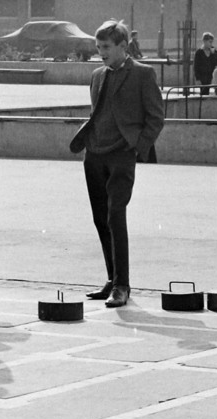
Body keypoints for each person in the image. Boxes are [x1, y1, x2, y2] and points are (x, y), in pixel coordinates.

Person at [68, 19, 165, 308]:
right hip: (94, 155)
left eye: (106, 47)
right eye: (98, 47)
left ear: (124, 46)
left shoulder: (143, 75)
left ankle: (123, 286)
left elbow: (156, 117)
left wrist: (137, 147)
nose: (101, 52)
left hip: (122, 154)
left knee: (115, 216)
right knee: (101, 219)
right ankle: (112, 279)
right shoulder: (97, 75)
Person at [192, 32, 217, 99]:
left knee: (208, 91)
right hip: (202, 75)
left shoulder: (213, 51)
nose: (211, 44)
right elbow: (196, 66)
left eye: (212, 42)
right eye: (209, 42)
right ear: (204, 41)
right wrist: (197, 78)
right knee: (203, 92)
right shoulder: (199, 52)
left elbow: (216, 62)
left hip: (210, 74)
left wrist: (213, 54)